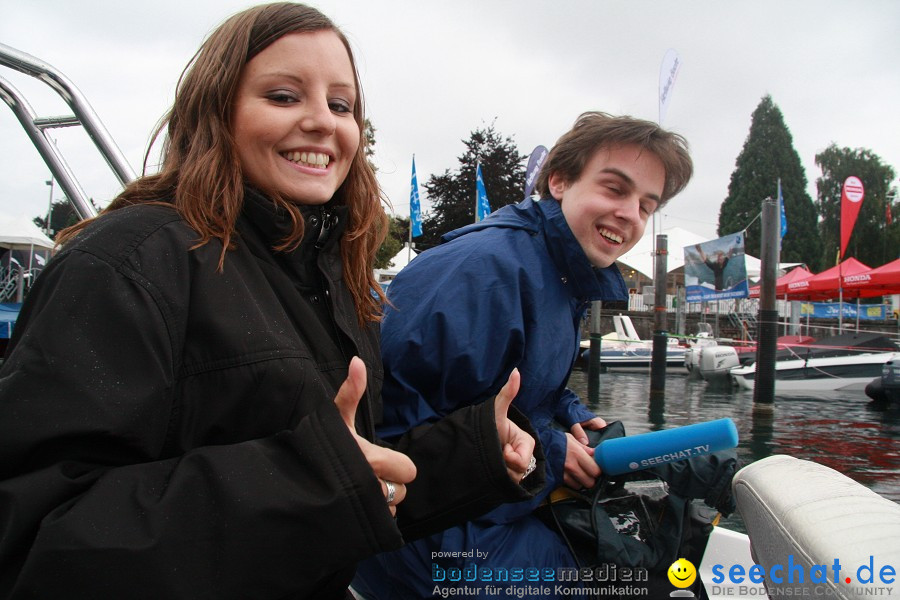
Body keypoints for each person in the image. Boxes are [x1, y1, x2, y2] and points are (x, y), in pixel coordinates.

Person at [0, 4, 545, 598]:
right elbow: (33, 539)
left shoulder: (335, 279)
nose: (322, 121)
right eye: (284, 96)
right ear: (216, 111)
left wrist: (472, 452)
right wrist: (311, 484)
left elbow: (347, 483)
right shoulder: (128, 263)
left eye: (342, 105)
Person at [353, 112, 693, 599]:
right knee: (626, 578)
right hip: (424, 539)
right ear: (558, 181)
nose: (631, 214)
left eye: (646, 205)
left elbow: (506, 383)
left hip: (480, 509)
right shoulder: (484, 272)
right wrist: (552, 454)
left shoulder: (556, 272)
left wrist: (568, 413)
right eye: (615, 189)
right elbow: (393, 428)